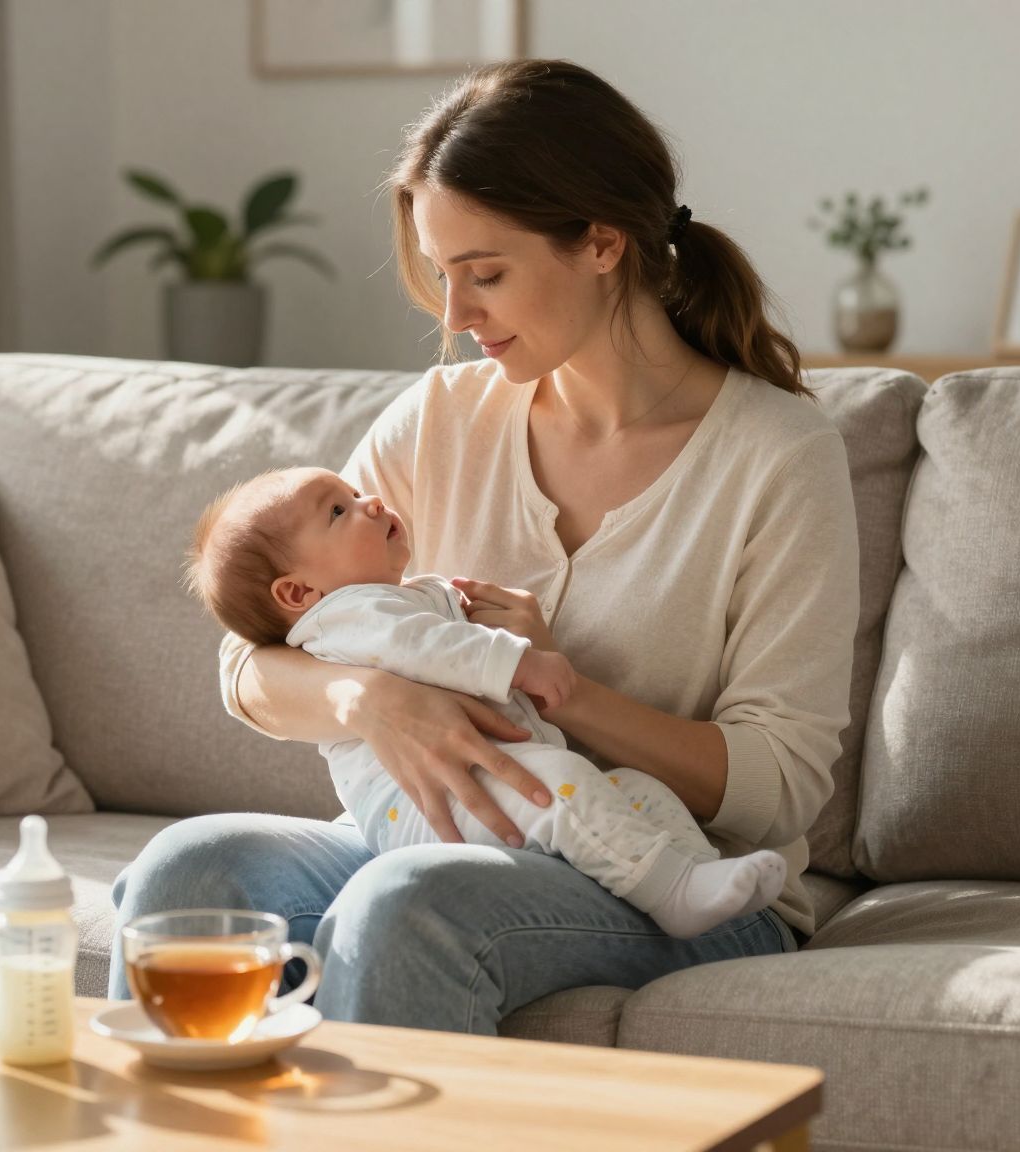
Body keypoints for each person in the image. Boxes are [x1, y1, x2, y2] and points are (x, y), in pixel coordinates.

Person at [107, 58, 860, 1035]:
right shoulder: (441, 421)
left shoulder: (774, 458)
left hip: (681, 879)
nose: (455, 319)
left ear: (600, 243)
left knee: (406, 903)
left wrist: (568, 690)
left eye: (486, 275)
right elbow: (250, 655)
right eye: (441, 276)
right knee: (186, 870)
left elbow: (775, 789)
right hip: (442, 840)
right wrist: (373, 699)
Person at [181, 465, 788, 938]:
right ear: (298, 591)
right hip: (431, 805)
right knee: (192, 865)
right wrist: (515, 662)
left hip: (488, 785)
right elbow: (403, 646)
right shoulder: (347, 616)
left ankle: (696, 876)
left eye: (356, 491)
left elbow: (785, 779)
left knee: (630, 788)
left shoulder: (388, 596)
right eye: (340, 510)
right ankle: (672, 888)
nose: (371, 501)